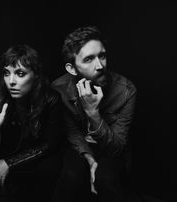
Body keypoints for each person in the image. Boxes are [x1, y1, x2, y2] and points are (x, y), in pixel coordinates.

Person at [51, 26, 137, 202]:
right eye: (89, 59)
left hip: (110, 147)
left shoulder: (126, 91)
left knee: (106, 179)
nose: (100, 66)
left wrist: (93, 112)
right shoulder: (59, 89)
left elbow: (117, 147)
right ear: (72, 69)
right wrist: (90, 160)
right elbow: (71, 132)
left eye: (102, 56)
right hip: (79, 145)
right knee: (70, 176)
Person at [0, 44, 64, 202]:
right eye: (6, 73)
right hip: (11, 152)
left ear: (36, 75)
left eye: (20, 73)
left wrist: (10, 163)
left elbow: (50, 144)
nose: (11, 81)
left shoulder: (51, 99)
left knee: (49, 168)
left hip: (38, 157)